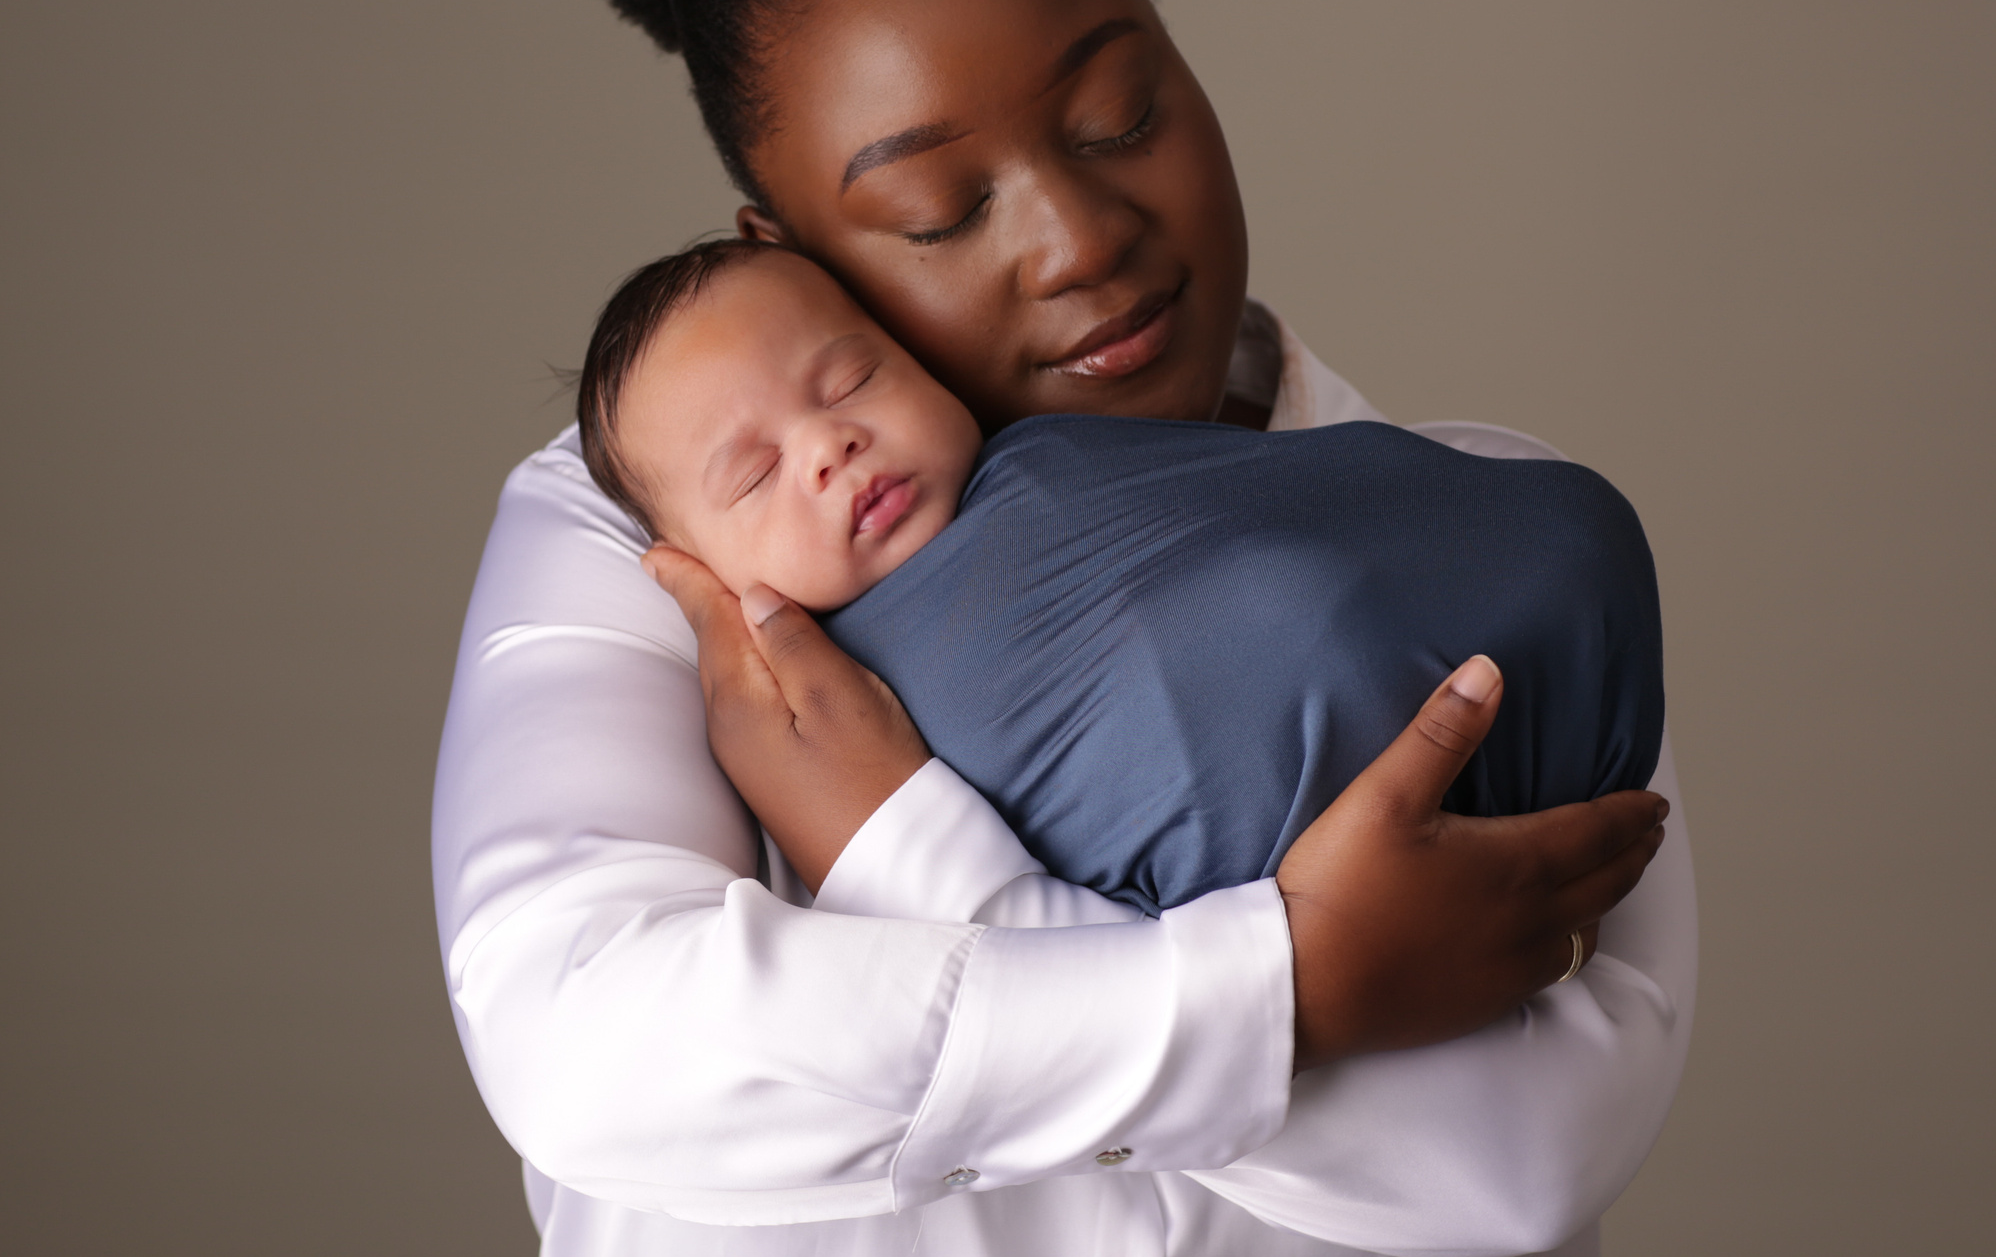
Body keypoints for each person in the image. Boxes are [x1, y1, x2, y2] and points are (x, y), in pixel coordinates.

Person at [433, 0, 1695, 1257]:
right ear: (789, 250)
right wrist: (1296, 989)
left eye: (1120, 112)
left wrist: (902, 853)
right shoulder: (660, 531)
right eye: (942, 211)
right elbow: (588, 1036)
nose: (1083, 238)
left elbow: (1530, 1150)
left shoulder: (1489, 540)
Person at [570, 236, 1665, 920]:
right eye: (757, 474)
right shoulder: (814, 720)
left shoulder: (1050, 453)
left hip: (1487, 689)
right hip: (1268, 899)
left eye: (853, 377)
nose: (828, 446)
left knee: (1563, 529)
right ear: (693, 574)